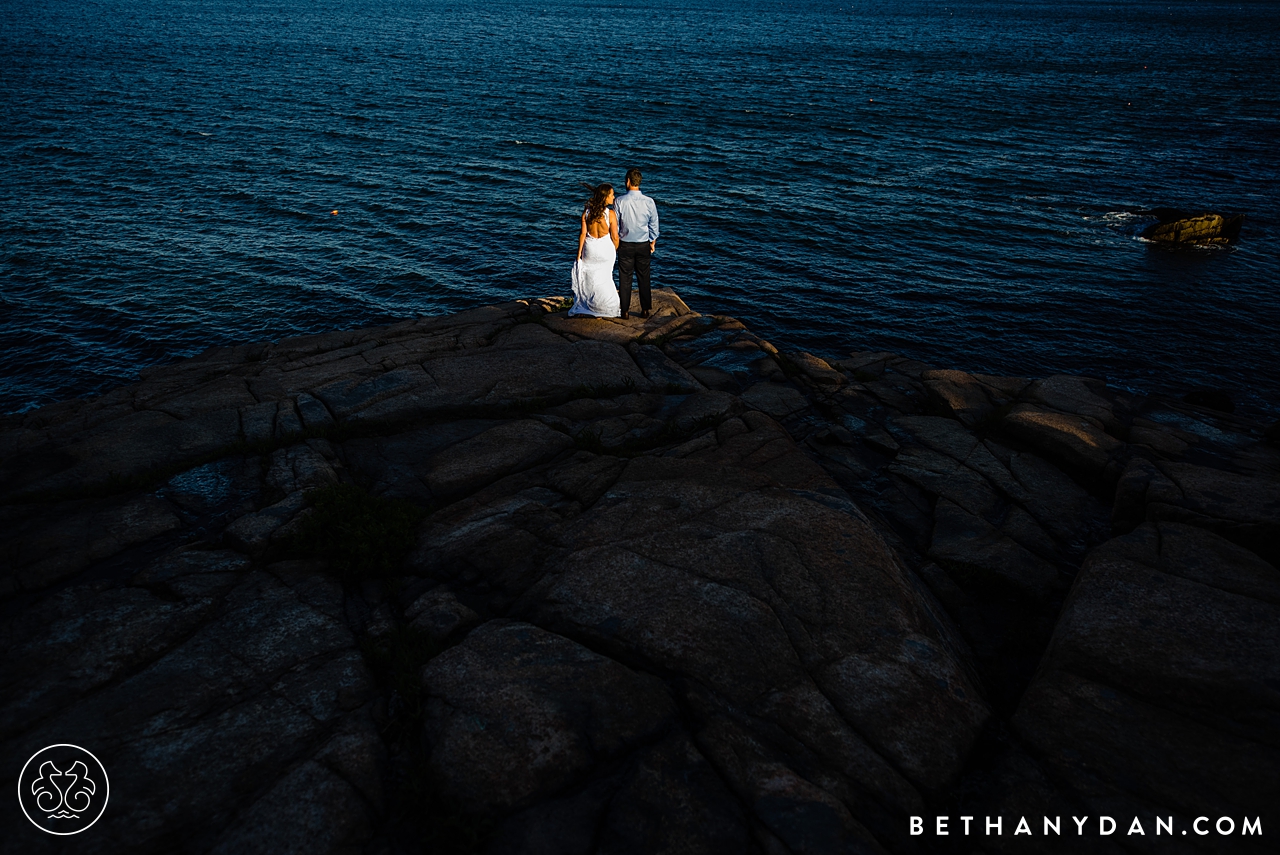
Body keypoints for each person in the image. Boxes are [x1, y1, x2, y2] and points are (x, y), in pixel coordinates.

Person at [567, 183, 621, 318]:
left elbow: (582, 234)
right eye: (611, 195)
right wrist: (614, 249)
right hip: (605, 249)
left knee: (590, 277)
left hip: (590, 248)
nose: (614, 197)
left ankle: (587, 305)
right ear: (605, 197)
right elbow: (615, 236)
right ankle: (604, 307)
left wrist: (579, 252)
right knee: (605, 278)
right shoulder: (610, 214)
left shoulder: (587, 212)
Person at [613, 168, 659, 319]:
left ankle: (624, 311)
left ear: (627, 181)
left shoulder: (619, 201)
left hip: (625, 244)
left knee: (625, 279)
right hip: (643, 244)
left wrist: (616, 243)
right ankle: (645, 309)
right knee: (644, 277)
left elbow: (616, 226)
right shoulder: (649, 202)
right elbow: (654, 226)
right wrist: (652, 241)